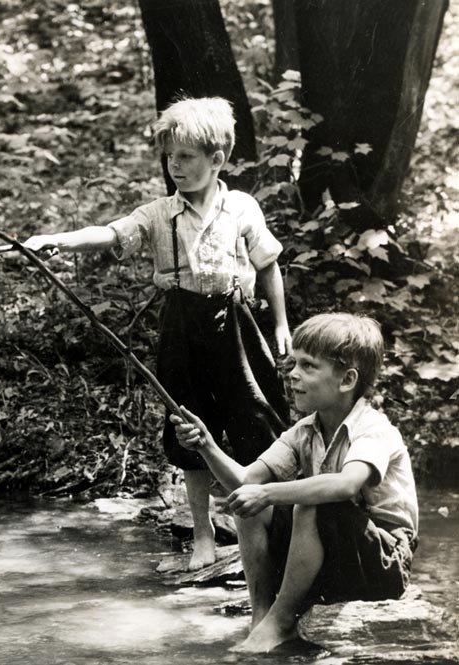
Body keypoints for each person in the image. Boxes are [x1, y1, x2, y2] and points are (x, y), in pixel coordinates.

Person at [24, 96, 291, 570]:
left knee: (258, 420)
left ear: (217, 159)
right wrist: (57, 240)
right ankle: (203, 535)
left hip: (239, 327)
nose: (175, 166)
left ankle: (268, 525)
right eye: (169, 156)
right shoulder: (159, 213)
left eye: (185, 156)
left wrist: (281, 325)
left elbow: (268, 266)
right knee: (189, 425)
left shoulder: (242, 208)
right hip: (183, 329)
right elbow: (110, 232)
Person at [171, 312, 419, 653]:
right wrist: (206, 445)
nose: (292, 375)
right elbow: (245, 481)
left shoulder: (374, 428)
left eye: (308, 366)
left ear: (347, 380)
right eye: (293, 364)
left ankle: (282, 620)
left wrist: (268, 493)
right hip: (338, 554)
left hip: (385, 561)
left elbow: (346, 485)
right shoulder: (304, 431)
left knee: (309, 499)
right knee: (250, 503)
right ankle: (262, 616)